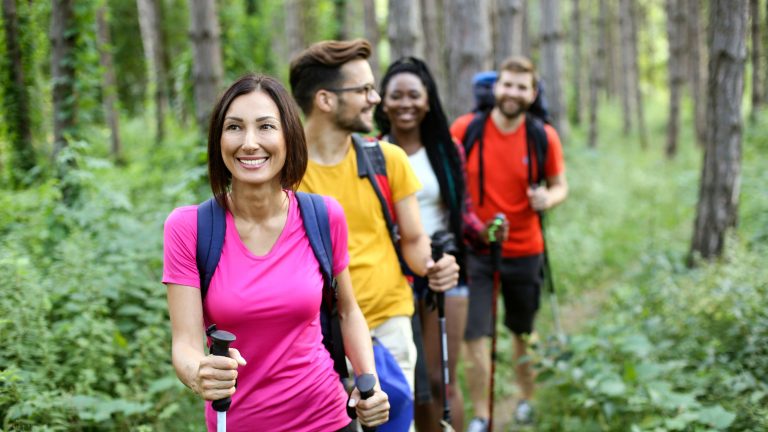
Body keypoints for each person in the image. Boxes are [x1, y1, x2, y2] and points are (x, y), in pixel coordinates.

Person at [162, 74, 389, 432]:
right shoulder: (189, 228)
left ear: (288, 138)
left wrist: (369, 383)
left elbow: (347, 312)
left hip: (327, 419)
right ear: (218, 140)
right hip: (236, 423)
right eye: (234, 127)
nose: (249, 143)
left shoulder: (324, 215)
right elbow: (186, 345)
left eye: (266, 127)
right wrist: (198, 373)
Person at [289, 40, 460, 430]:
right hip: (315, 337)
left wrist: (433, 267)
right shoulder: (284, 172)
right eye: (364, 90)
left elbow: (414, 241)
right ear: (326, 100)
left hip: (389, 324)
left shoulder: (387, 159)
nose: (376, 98)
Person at [450, 57, 568, 430]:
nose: (513, 93)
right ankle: (482, 415)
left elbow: (560, 184)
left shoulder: (542, 136)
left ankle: (526, 400)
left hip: (525, 249)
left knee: (522, 332)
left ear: (533, 94)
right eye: (507, 84)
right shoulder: (466, 129)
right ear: (495, 87)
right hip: (477, 249)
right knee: (474, 335)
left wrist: (547, 199)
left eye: (521, 87)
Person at [373, 57, 484, 432]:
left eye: (414, 95)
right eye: (396, 95)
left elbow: (462, 211)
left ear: (428, 100)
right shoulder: (372, 153)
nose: (406, 103)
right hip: (393, 277)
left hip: (445, 270)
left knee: (440, 379)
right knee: (411, 384)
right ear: (382, 102)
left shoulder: (447, 149)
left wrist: (486, 235)